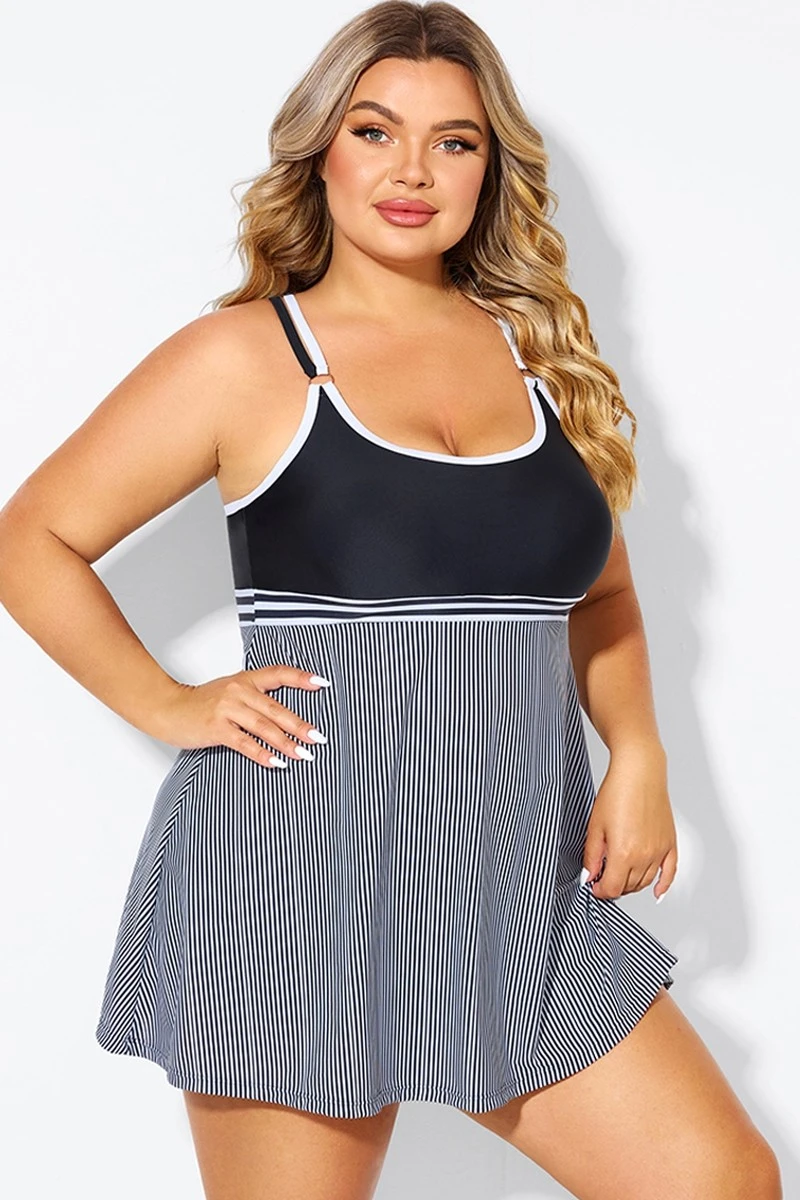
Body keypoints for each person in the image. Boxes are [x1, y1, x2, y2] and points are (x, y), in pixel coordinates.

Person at [0, 2, 782, 1198]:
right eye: (374, 131)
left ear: (488, 169)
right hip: (294, 879)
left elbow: (601, 590)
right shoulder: (247, 358)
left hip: (519, 884)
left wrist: (637, 750)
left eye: (451, 141)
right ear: (320, 151)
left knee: (719, 1180)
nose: (411, 171)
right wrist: (168, 702)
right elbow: (32, 539)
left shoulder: (536, 358)